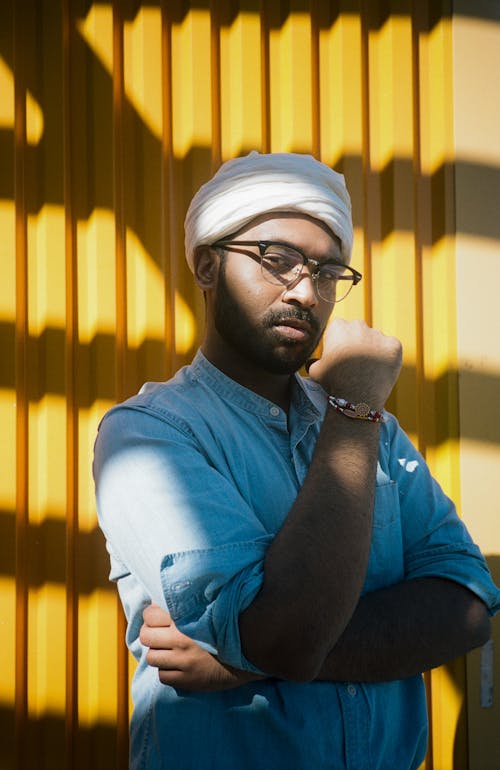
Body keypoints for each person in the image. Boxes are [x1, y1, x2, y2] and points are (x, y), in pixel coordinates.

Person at [93, 152, 500, 770]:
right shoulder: (150, 436)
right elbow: (285, 636)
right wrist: (357, 406)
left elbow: (468, 608)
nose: (307, 292)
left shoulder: (372, 432)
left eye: (329, 271)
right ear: (207, 265)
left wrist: (241, 659)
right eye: (276, 260)